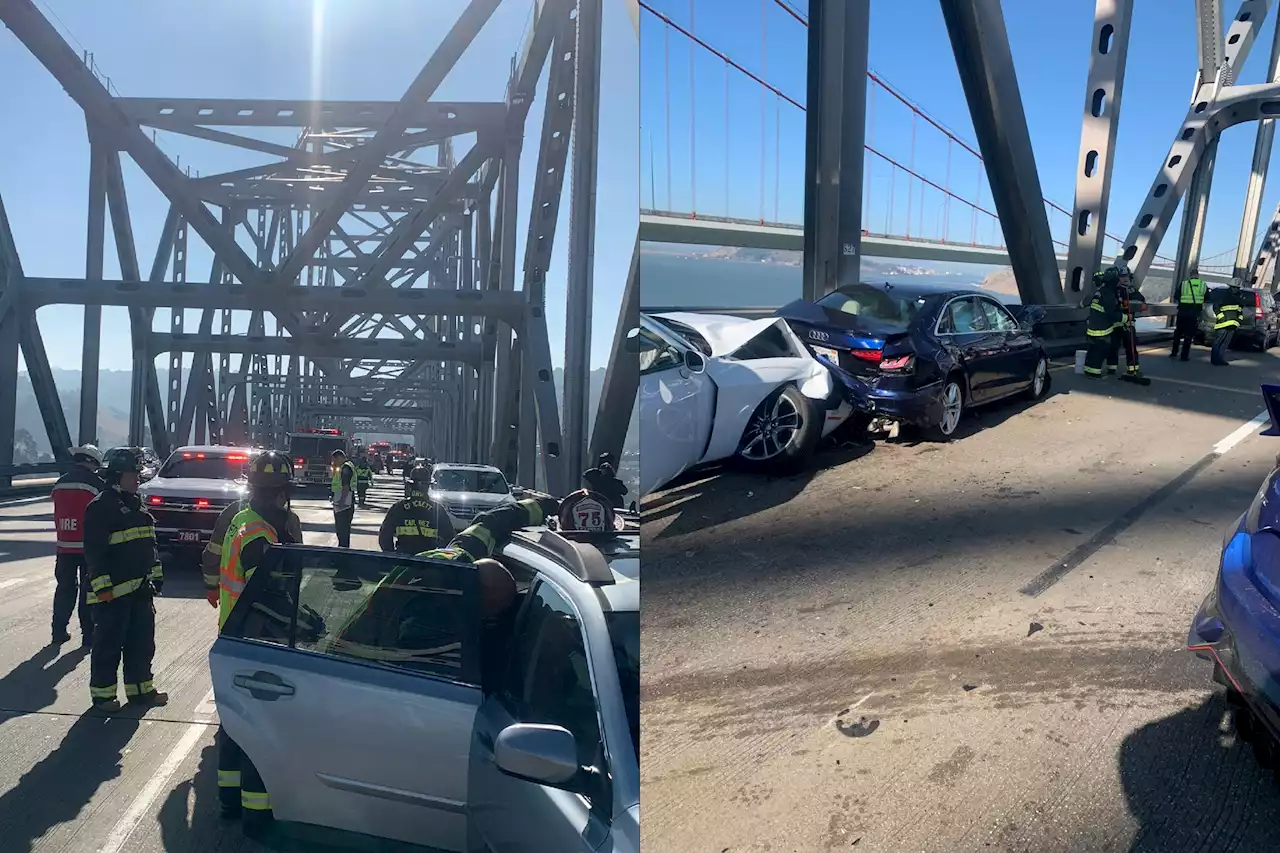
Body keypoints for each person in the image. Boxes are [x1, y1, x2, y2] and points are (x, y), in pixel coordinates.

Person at [215, 450, 299, 827]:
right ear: (281, 492)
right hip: (256, 639)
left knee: (233, 727)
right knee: (259, 731)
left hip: (235, 633)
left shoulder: (243, 520)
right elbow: (265, 594)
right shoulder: (260, 535)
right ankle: (257, 813)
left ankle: (229, 800)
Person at [83, 447, 166, 713]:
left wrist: (156, 575)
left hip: (140, 590)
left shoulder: (136, 504)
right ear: (117, 476)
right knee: (108, 646)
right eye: (133, 474)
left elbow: (147, 545)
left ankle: (142, 691)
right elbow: (95, 553)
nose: (138, 479)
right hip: (112, 594)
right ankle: (103, 697)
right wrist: (103, 586)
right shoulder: (100, 508)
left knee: (142, 644)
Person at [201, 457, 303, 610]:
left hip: (234, 622)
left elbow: (213, 553)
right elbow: (268, 595)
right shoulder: (284, 524)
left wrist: (211, 586)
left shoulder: (235, 514)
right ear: (283, 492)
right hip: (259, 625)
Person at [51, 443, 105, 647]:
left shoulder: (59, 483)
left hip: (64, 546)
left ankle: (58, 631)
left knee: (64, 588)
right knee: (88, 592)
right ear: (92, 463)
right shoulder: (96, 484)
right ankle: (88, 636)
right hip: (88, 547)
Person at [378, 464, 454, 554]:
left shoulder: (398, 507)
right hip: (428, 561)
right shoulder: (437, 510)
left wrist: (392, 556)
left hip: (403, 561)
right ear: (428, 486)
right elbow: (449, 538)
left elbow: (384, 536)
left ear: (410, 485)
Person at [1084, 266, 1124, 378]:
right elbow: (1111, 312)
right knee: (1101, 350)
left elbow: (1085, 302)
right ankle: (1094, 372)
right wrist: (1125, 318)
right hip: (1103, 329)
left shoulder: (1099, 292)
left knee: (1093, 350)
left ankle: (1089, 369)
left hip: (1093, 327)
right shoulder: (1109, 294)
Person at [1171, 267, 1208, 361]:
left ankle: (1174, 352)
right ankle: (1184, 356)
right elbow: (1207, 298)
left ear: (1190, 275)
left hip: (1182, 311)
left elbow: (1176, 296)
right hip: (1194, 313)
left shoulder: (1184, 284)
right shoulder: (1203, 284)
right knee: (1189, 335)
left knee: (1178, 332)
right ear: (1198, 275)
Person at [1211, 278, 1245, 366]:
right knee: (1218, 342)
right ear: (1230, 287)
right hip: (1223, 324)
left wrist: (1238, 321)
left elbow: (1240, 312)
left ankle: (1219, 359)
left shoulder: (1239, 298)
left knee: (1225, 343)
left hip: (1232, 325)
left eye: (1237, 288)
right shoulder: (1224, 296)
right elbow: (1216, 307)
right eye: (1234, 287)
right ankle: (1215, 359)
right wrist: (1222, 318)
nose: (1236, 289)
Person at [330, 448, 356, 547]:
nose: (334, 462)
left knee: (342, 529)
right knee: (343, 530)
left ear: (340, 457)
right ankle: (343, 548)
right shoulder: (346, 467)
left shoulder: (345, 469)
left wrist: (341, 501)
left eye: (334, 460)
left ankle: (343, 550)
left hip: (344, 504)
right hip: (346, 502)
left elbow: (346, 487)